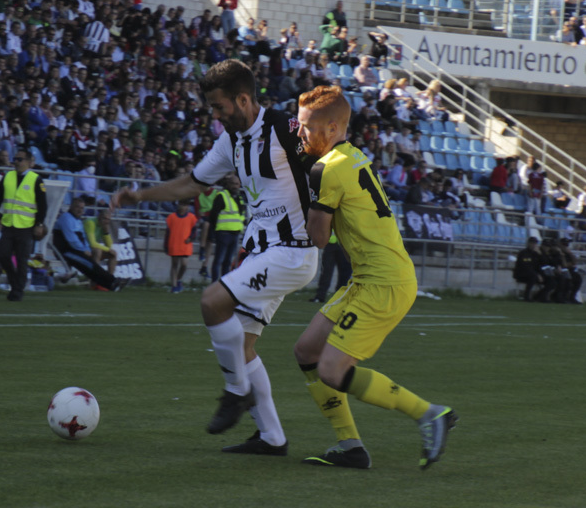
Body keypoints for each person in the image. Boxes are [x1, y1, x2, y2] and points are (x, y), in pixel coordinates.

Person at [112, 59, 319, 454]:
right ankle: (271, 438)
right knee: (242, 346)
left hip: (292, 252)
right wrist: (138, 195)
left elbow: (329, 161)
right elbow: (191, 183)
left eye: (219, 106)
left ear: (243, 99)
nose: (215, 115)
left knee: (212, 302)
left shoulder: (285, 129)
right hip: (264, 254)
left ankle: (235, 392)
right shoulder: (230, 142)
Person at [293, 85, 456, 470]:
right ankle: (349, 446)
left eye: (305, 127)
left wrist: (303, 187)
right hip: (369, 278)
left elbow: (318, 238)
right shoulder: (350, 157)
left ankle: (430, 413)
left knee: (332, 370)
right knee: (306, 352)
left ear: (332, 128)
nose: (300, 134)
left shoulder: (326, 169)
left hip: (384, 283)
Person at [0, 149, 48, 301]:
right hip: (9, 224)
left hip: (26, 226)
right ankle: (15, 283)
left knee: (22, 260)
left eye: (20, 159)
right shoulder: (8, 176)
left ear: (28, 162)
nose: (16, 162)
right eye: (15, 159)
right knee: (3, 255)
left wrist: (39, 224)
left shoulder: (36, 179)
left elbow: (42, 205)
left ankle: (17, 291)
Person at [53, 197, 125, 291]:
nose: (80, 210)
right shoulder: (66, 218)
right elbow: (72, 240)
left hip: (75, 250)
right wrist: (84, 250)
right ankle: (112, 282)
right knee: (89, 264)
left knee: (90, 264)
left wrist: (87, 249)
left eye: (82, 208)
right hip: (65, 251)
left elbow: (83, 239)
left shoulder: (78, 220)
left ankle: (110, 284)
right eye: (77, 207)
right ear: (71, 207)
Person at [206, 173, 244, 282]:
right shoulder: (222, 196)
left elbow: (241, 214)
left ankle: (224, 286)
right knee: (219, 260)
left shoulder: (239, 197)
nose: (235, 186)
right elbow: (213, 215)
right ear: (228, 184)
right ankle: (214, 284)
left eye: (237, 184)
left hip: (235, 233)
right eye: (233, 184)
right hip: (223, 233)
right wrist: (214, 230)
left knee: (227, 261)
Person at [165, 199, 198, 293]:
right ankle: (174, 285)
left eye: (185, 205)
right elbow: (167, 233)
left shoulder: (191, 217)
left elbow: (194, 230)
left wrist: (191, 238)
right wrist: (166, 245)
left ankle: (178, 279)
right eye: (182, 204)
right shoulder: (171, 217)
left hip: (185, 244)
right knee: (174, 264)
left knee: (184, 264)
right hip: (174, 243)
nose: (183, 207)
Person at [309, 231, 351, 304]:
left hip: (344, 244)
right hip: (331, 244)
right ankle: (320, 296)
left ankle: (339, 296)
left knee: (344, 273)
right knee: (326, 271)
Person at [84, 208, 116, 278]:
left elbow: (109, 246)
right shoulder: (90, 223)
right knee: (98, 251)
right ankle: (95, 280)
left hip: (90, 250)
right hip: (82, 248)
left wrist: (106, 232)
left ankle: (109, 280)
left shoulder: (103, 227)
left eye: (108, 219)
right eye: (104, 218)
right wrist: (108, 249)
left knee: (113, 254)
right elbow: (92, 243)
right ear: (99, 217)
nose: (106, 222)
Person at [513, 236, 544, 302]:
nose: (533, 245)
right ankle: (526, 297)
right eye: (532, 243)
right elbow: (525, 266)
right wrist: (537, 274)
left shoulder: (536, 254)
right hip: (522, 273)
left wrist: (540, 255)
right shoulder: (523, 253)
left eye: (535, 243)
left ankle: (540, 296)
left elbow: (541, 264)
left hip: (533, 274)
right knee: (532, 277)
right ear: (528, 243)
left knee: (550, 278)